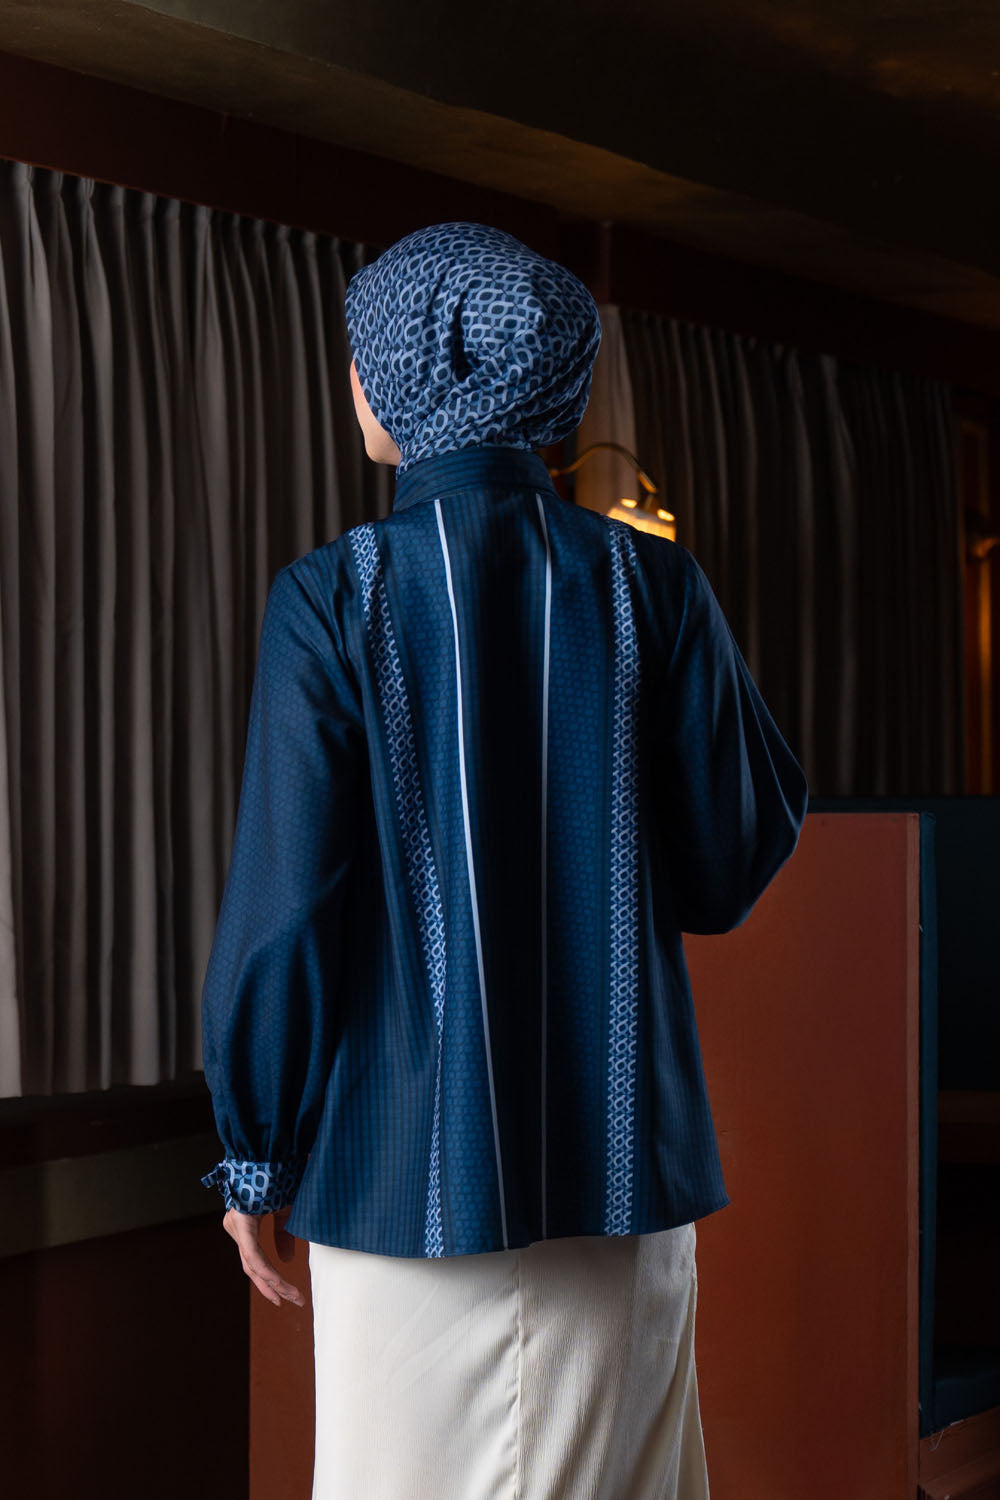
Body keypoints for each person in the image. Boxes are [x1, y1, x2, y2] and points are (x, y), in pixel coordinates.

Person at [200, 220, 809, 1499]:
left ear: (398, 376)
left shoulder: (334, 597)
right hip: (622, 1173)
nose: (348, 377)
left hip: (398, 1187)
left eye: (358, 353)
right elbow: (732, 862)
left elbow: (283, 915)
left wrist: (253, 1157)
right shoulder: (655, 588)